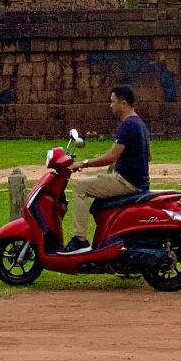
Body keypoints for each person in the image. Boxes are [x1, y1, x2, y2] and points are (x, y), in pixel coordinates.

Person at [61, 84, 150, 251]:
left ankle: (79, 239)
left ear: (123, 103)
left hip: (127, 182)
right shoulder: (139, 124)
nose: (111, 105)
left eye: (113, 101)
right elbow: (144, 156)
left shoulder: (128, 125)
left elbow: (112, 156)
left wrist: (84, 163)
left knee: (81, 187)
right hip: (135, 180)